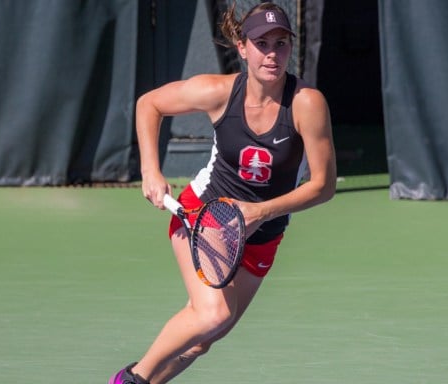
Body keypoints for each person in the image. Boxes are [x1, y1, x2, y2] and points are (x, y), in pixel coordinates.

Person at [109, 2, 336, 383]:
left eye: (281, 43)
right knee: (213, 313)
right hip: (205, 214)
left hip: (263, 234)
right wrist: (151, 169)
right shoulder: (217, 92)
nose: (272, 54)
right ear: (242, 47)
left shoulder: (306, 104)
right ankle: (131, 379)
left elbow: (323, 186)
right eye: (261, 43)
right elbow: (150, 104)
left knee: (204, 338)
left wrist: (260, 213)